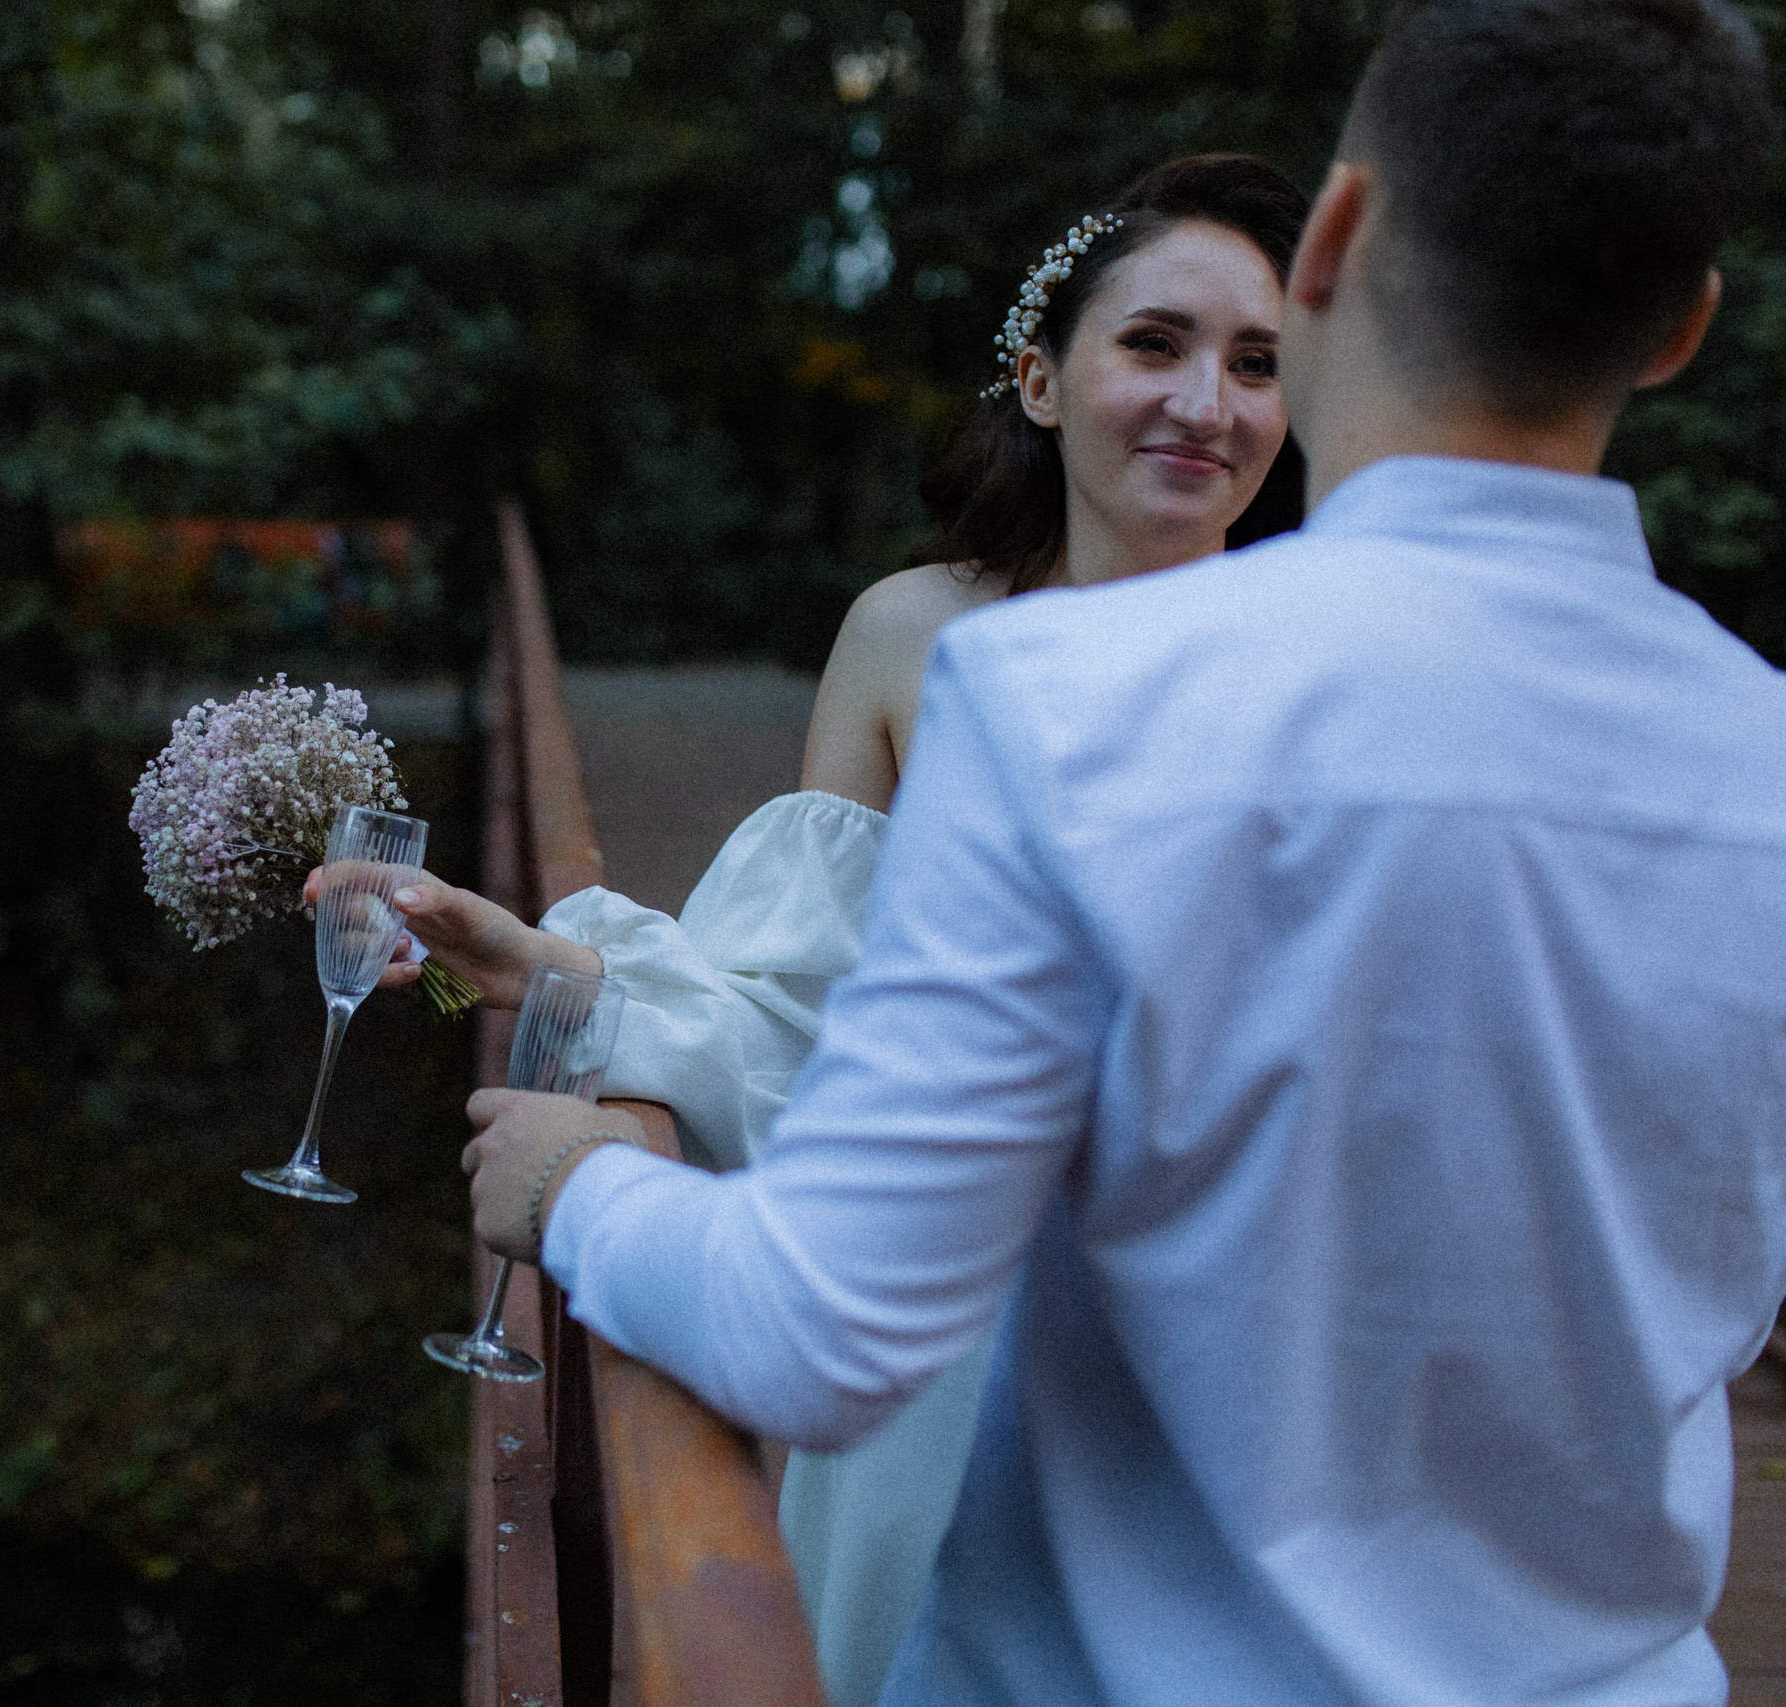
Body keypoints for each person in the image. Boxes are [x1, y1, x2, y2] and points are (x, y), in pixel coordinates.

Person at [460, 4, 1786, 1704]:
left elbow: (825, 1328)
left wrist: (580, 1191)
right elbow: (1694, 1314)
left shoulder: (1071, 706)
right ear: (1683, 329)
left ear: (1337, 240)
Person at [374, 154, 1304, 1707]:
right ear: (1041, 378)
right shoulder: (911, 636)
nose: (1209, 402)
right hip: (935, 1348)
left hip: (1210, 1368)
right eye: (1156, 343)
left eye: (1259, 363)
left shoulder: (1315, 675)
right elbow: (806, 1026)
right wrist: (547, 969)